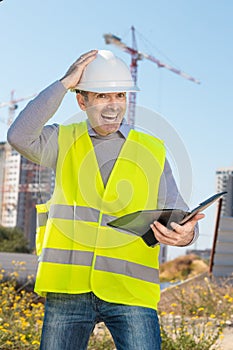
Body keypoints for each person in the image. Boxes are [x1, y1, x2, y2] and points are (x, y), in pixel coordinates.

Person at [7, 49, 204, 350]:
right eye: (102, 96)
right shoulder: (63, 140)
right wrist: (63, 83)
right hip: (68, 289)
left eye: (120, 96)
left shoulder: (152, 150)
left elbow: (180, 212)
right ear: (81, 100)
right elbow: (19, 136)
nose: (113, 106)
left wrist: (187, 234)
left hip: (130, 291)